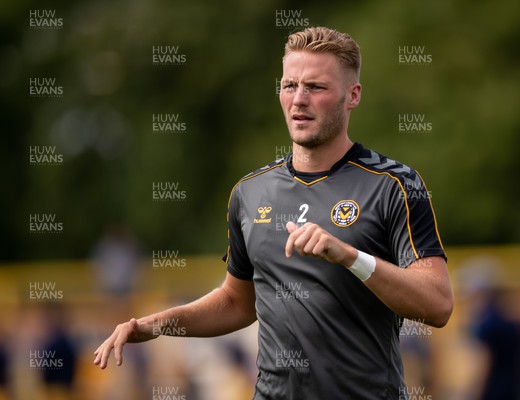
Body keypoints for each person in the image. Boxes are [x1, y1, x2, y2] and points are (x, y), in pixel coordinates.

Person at [94, 26, 453, 399]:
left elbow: (438, 305)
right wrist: (156, 324)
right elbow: (237, 302)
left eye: (316, 87)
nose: (299, 100)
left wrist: (350, 257)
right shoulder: (249, 193)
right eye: (289, 86)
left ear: (352, 95)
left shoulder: (395, 185)